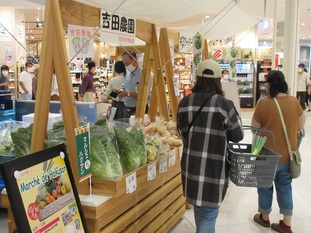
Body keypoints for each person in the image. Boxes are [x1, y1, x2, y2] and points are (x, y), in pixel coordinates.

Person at [177, 59, 244, 233]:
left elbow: (182, 132)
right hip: (214, 169)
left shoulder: (184, 103)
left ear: (197, 78)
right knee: (208, 215)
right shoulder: (224, 104)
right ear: (218, 79)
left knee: (201, 210)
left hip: (191, 167)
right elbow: (237, 136)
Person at [252, 70, 305, 233]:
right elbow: (301, 125)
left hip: (266, 154)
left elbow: (254, 128)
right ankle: (286, 223)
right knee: (285, 187)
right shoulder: (294, 102)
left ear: (268, 85)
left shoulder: (263, 103)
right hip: (287, 156)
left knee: (264, 185)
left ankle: (265, 217)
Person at [117, 51, 143, 118]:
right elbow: (124, 85)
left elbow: (143, 94)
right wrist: (120, 90)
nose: (126, 66)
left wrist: (127, 94)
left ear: (135, 60)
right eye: (124, 64)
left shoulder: (144, 74)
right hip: (127, 109)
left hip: (139, 110)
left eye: (127, 64)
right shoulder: (128, 73)